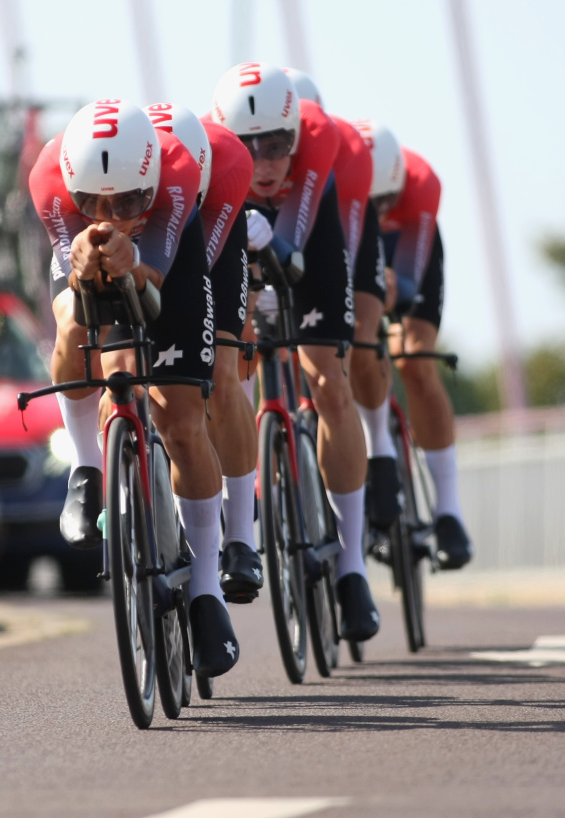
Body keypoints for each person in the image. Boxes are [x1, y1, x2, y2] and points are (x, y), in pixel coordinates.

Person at [28, 100, 239, 676]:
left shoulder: (174, 174)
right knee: (73, 324)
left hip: (168, 262)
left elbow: (151, 283)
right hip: (81, 257)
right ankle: (85, 467)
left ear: (150, 182)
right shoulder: (49, 179)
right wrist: (84, 265)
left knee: (182, 421)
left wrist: (132, 259)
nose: (113, 214)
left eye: (129, 200)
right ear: (73, 191)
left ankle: (204, 589)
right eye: (96, 202)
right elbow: (77, 293)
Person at [210, 63, 379, 643]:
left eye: (278, 145)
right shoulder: (212, 155)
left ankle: (352, 565)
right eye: (246, 148)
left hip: (309, 237)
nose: (263, 162)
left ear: (297, 136)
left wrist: (272, 240)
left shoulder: (320, 137)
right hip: (242, 234)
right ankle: (245, 499)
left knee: (329, 380)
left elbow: (299, 249)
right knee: (228, 361)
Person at [142, 102, 263, 602]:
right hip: (147, 222)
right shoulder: (144, 176)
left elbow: (196, 274)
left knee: (221, 366)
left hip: (211, 231)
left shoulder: (229, 163)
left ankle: (240, 537)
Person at [283, 70, 398, 529]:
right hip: (272, 228)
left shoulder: (344, 150)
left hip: (335, 233)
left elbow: (343, 255)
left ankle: (382, 451)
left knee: (359, 337)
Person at [355, 120, 472, 569]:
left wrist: (391, 291)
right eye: (374, 204)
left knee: (414, 359)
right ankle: (375, 445)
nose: (380, 211)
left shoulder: (421, 183)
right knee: (342, 348)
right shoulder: (342, 181)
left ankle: (449, 512)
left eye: (386, 202)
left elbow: (406, 279)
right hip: (348, 236)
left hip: (405, 247)